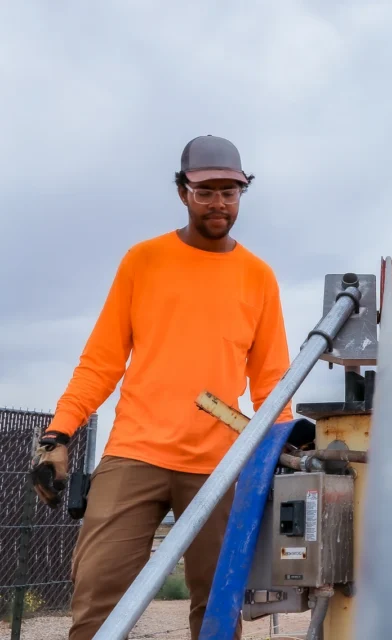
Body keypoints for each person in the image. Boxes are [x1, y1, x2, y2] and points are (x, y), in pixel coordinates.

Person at [29, 134, 294, 640]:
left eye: (230, 192)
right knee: (97, 595)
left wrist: (280, 450)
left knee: (217, 610)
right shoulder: (143, 261)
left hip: (218, 461)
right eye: (206, 191)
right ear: (182, 192)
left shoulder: (259, 277)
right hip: (136, 451)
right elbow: (101, 363)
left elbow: (271, 383)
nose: (219, 202)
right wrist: (58, 435)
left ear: (242, 195)